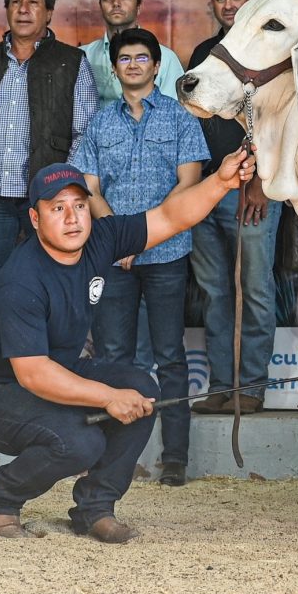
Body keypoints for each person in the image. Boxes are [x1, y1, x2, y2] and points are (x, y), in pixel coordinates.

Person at [0, 151, 254, 541]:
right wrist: (107, 397)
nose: (72, 218)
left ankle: (94, 507)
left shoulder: (101, 238)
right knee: (80, 442)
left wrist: (221, 181)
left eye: (80, 206)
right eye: (58, 208)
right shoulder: (22, 280)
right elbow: (33, 373)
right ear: (35, 219)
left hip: (57, 372)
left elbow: (170, 217)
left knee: (143, 389)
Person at [71, 28, 209, 487]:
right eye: (124, 58)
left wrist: (141, 238)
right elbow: (88, 187)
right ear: (114, 68)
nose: (133, 64)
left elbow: (189, 183)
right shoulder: (99, 123)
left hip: (166, 253)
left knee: (170, 356)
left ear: (157, 66)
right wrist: (117, 237)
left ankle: (175, 458)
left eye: (142, 58)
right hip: (114, 259)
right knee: (113, 356)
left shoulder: (179, 118)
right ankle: (113, 456)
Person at [0, 0, 97, 328]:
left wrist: (63, 188)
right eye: (15, 2)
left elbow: (84, 133)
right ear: (6, 10)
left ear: (48, 12)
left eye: (33, 2)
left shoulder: (71, 62)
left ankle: (48, 371)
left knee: (51, 283)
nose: (23, 10)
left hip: (47, 199)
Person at [187, 0, 284, 416]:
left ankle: (252, 388)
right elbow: (194, 123)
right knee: (215, 291)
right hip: (207, 188)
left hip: (251, 190)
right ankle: (222, 386)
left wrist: (262, 181)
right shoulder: (205, 54)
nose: (228, 5)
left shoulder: (270, 52)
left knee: (255, 288)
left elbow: (281, 122)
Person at [80, 0, 185, 108]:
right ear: (100, 6)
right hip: (97, 129)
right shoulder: (83, 56)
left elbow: (173, 113)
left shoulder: (166, 58)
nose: (116, 3)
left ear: (139, 6)